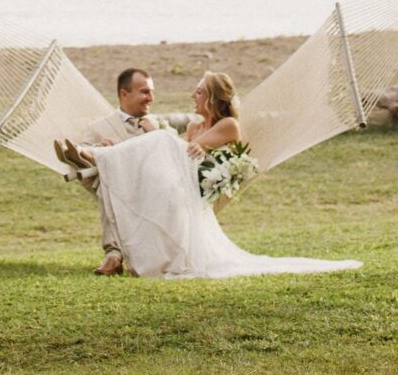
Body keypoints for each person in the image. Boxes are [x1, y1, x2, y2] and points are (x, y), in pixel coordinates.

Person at [63, 67, 360, 282]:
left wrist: (159, 135)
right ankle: (98, 153)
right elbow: (180, 152)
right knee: (159, 143)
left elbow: (183, 150)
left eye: (199, 91)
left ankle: (92, 155)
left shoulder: (229, 125)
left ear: (213, 97)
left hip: (190, 191)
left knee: (161, 139)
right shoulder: (193, 126)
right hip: (177, 185)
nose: (193, 95)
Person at [62, 66, 157, 275]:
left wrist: (155, 135)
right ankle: (91, 154)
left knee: (108, 177)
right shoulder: (98, 127)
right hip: (115, 189)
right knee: (107, 176)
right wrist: (102, 148)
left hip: (151, 191)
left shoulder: (156, 125)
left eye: (151, 92)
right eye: (145, 92)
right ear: (124, 94)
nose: (151, 98)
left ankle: (113, 255)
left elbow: (170, 160)